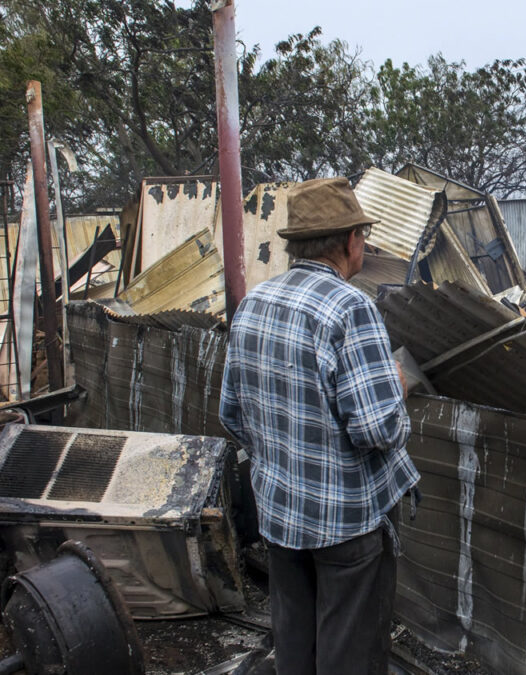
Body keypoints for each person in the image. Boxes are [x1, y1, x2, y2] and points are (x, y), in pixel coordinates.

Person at [219, 177, 419, 674]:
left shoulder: (254, 306)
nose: (364, 245)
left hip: (282, 516)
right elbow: (378, 429)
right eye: (363, 236)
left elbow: (232, 414)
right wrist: (396, 387)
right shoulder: (350, 309)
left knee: (296, 647)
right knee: (348, 653)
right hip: (344, 525)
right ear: (350, 241)